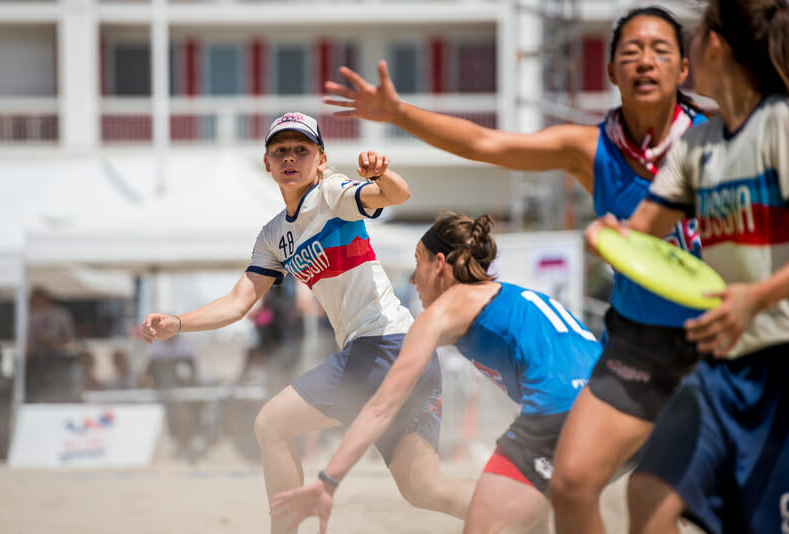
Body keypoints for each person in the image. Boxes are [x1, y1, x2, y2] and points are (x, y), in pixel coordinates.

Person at [323, 7, 707, 533]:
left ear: (685, 68)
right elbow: (488, 144)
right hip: (636, 353)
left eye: (660, 50)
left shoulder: (718, 142)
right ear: (611, 72)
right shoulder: (590, 147)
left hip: (721, 343)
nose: (645, 62)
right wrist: (397, 113)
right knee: (581, 491)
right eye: (630, 52)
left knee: (664, 501)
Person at [142, 112, 474, 533]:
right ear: (267, 164)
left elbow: (398, 195)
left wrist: (382, 177)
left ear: (321, 159)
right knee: (423, 489)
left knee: (271, 425)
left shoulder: (332, 193)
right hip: (407, 350)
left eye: (302, 149)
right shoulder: (273, 235)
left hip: (383, 346)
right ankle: (525, 513)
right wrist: (177, 322)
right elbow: (238, 302)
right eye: (280, 150)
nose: (290, 158)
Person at [585, 1, 789, 532]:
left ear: (713, 47)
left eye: (691, 38)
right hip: (723, 365)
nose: (686, 49)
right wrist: (609, 236)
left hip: (778, 359)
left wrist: (756, 297)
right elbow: (643, 228)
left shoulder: (779, 125)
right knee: (649, 492)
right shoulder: (698, 145)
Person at [270, 211, 603, 534]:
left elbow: (382, 406)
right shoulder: (513, 296)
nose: (414, 278)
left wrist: (328, 481)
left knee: (484, 523)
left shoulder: (445, 310)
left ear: (440, 264)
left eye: (419, 262)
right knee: (530, 513)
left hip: (560, 409)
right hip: (616, 400)